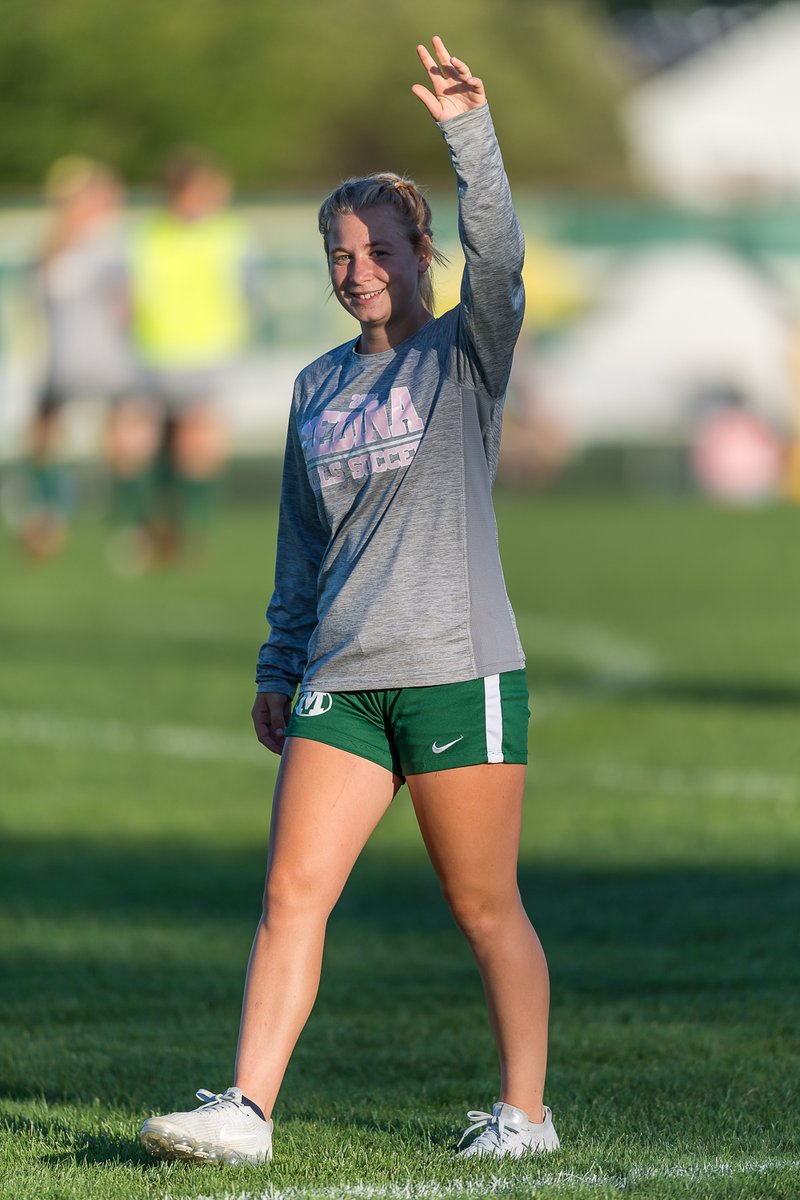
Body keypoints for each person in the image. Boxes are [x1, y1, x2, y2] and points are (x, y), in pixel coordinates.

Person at [140, 36, 559, 1164]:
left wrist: (470, 133)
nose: (357, 266)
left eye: (377, 247)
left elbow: (503, 257)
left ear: (418, 252)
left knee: (482, 908)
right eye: (339, 250)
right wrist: (279, 666)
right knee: (290, 895)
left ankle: (523, 1115)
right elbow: (299, 545)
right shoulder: (315, 385)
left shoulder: (465, 354)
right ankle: (246, 1111)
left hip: (453, 665)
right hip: (341, 678)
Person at [106, 147, 253, 569]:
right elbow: (126, 295)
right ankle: (141, 529)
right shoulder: (146, 235)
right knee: (133, 439)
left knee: (196, 445)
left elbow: (246, 292)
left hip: (207, 352)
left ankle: (190, 534)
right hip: (151, 352)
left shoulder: (228, 233)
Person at [19, 156, 136, 560]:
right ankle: (54, 516)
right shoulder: (79, 235)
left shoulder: (108, 236)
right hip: (72, 348)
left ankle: (119, 524)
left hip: (90, 349)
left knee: (110, 434)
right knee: (50, 434)